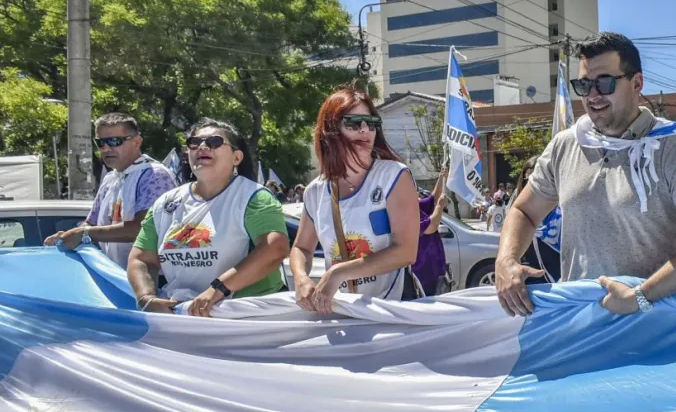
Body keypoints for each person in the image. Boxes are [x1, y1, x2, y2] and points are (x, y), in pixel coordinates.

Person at [496, 31, 676, 316]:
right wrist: (506, 259)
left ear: (637, 83)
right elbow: (524, 211)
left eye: (605, 83)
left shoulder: (674, 148)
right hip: (581, 323)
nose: (593, 96)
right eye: (583, 86)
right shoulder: (566, 144)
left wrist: (641, 296)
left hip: (657, 325)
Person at [128, 119, 290, 316]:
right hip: (181, 316)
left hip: (243, 318)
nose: (202, 147)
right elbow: (142, 259)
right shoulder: (165, 203)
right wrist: (146, 298)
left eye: (214, 142)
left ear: (236, 157)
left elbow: (275, 249)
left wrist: (217, 290)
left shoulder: (254, 197)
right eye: (194, 143)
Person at [290, 88, 419, 312]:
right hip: (340, 311)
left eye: (371, 123)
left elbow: (406, 251)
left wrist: (337, 273)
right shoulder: (315, 192)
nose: (365, 130)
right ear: (330, 129)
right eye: (353, 122)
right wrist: (301, 278)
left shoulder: (394, 176)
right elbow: (301, 247)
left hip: (392, 310)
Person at [44, 112, 175, 267]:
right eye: (100, 143)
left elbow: (143, 228)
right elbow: (91, 223)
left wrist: (84, 234)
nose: (106, 148)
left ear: (137, 142)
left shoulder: (154, 174)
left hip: (152, 279)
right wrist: (68, 235)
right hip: (117, 275)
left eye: (114, 141)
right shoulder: (110, 179)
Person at [413, 168, 451, 296]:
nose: (419, 194)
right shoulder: (408, 213)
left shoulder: (417, 206)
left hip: (434, 268)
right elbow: (431, 227)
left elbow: (433, 198)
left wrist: (441, 177)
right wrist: (440, 206)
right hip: (422, 272)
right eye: (416, 191)